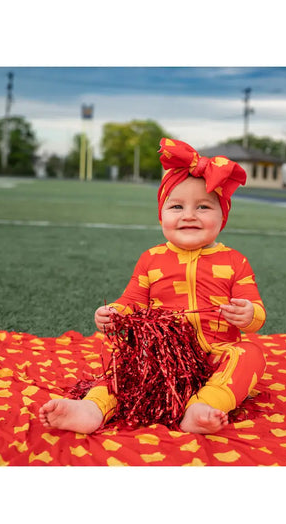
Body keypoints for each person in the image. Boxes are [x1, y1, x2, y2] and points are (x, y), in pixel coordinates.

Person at [39, 138, 267, 435]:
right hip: (159, 358)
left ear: (222, 215)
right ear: (161, 215)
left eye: (203, 207)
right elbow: (131, 300)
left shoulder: (235, 261)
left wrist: (248, 315)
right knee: (121, 356)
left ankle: (204, 405)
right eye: (176, 206)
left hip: (216, 355)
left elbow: (256, 313)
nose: (189, 215)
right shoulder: (151, 259)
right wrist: (112, 313)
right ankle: (93, 408)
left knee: (251, 352)